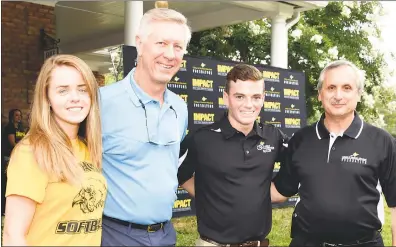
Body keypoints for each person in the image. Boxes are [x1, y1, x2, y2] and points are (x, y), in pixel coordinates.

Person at [271, 60, 396, 247]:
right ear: (320, 95)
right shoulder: (301, 139)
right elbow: (281, 191)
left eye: (346, 87)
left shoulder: (382, 141)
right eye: (331, 87)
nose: (338, 95)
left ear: (358, 94)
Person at [99, 8, 191, 246]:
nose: (170, 54)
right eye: (161, 43)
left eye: (178, 46)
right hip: (114, 235)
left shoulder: (180, 109)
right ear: (139, 43)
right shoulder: (101, 102)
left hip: (165, 235)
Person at [178, 64, 288, 247]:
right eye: (239, 97)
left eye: (255, 97)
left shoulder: (273, 136)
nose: (248, 104)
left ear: (263, 99)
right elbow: (179, 173)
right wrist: (209, 195)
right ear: (226, 98)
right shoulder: (202, 139)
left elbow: (300, 164)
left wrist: (280, 191)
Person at [3, 54, 106, 246]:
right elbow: (12, 236)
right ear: (47, 98)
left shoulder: (87, 148)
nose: (75, 98)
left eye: (82, 90)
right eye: (63, 91)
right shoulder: (32, 151)